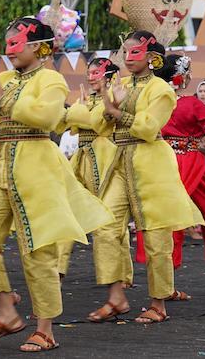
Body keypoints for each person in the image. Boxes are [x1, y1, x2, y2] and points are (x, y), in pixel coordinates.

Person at [0, 18, 111, 352]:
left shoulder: (52, 79)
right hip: (1, 167)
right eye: (9, 42)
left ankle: (45, 330)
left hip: (37, 166)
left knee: (38, 251)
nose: (10, 49)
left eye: (18, 43)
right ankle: (6, 313)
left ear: (39, 47)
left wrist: (0, 98)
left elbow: (45, 118)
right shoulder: (3, 79)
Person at [88, 31, 202, 326]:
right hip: (120, 158)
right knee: (105, 226)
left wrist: (117, 110)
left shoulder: (161, 90)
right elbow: (100, 123)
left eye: (134, 52)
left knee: (155, 234)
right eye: (125, 51)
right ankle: (116, 297)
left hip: (151, 163)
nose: (127, 57)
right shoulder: (119, 84)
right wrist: (108, 106)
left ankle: (159, 303)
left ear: (153, 58)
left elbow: (149, 128)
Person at [135, 54, 205, 298]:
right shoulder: (190, 104)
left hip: (159, 162)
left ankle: (166, 286)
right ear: (180, 77)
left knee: (164, 220)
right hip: (190, 162)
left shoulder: (150, 103)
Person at [56, 57, 119, 278]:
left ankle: (121, 274)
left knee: (108, 216)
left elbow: (96, 123)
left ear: (109, 76)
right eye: (89, 73)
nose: (91, 77)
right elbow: (71, 123)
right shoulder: (89, 99)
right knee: (68, 209)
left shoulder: (113, 97)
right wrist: (81, 113)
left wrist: (79, 112)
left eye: (96, 73)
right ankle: (59, 268)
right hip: (81, 157)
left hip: (104, 157)